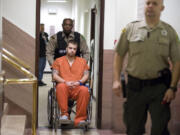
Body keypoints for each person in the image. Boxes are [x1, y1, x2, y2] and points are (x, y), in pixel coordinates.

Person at [113, 0, 180, 135]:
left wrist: (172, 87)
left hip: (159, 88)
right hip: (135, 87)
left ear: (162, 8)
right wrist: (116, 80)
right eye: (148, 3)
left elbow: (177, 60)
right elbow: (119, 54)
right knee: (133, 129)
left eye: (154, 3)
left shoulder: (169, 32)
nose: (150, 6)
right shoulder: (131, 28)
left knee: (159, 129)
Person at [52, 40, 90, 127]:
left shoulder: (82, 61)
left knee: (85, 90)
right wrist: (65, 82)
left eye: (74, 49)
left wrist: (79, 82)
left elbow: (86, 75)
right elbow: (55, 75)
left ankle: (80, 119)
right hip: (64, 86)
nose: (72, 50)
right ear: (66, 48)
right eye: (70, 48)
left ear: (76, 50)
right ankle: (65, 115)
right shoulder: (58, 61)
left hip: (77, 87)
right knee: (60, 86)